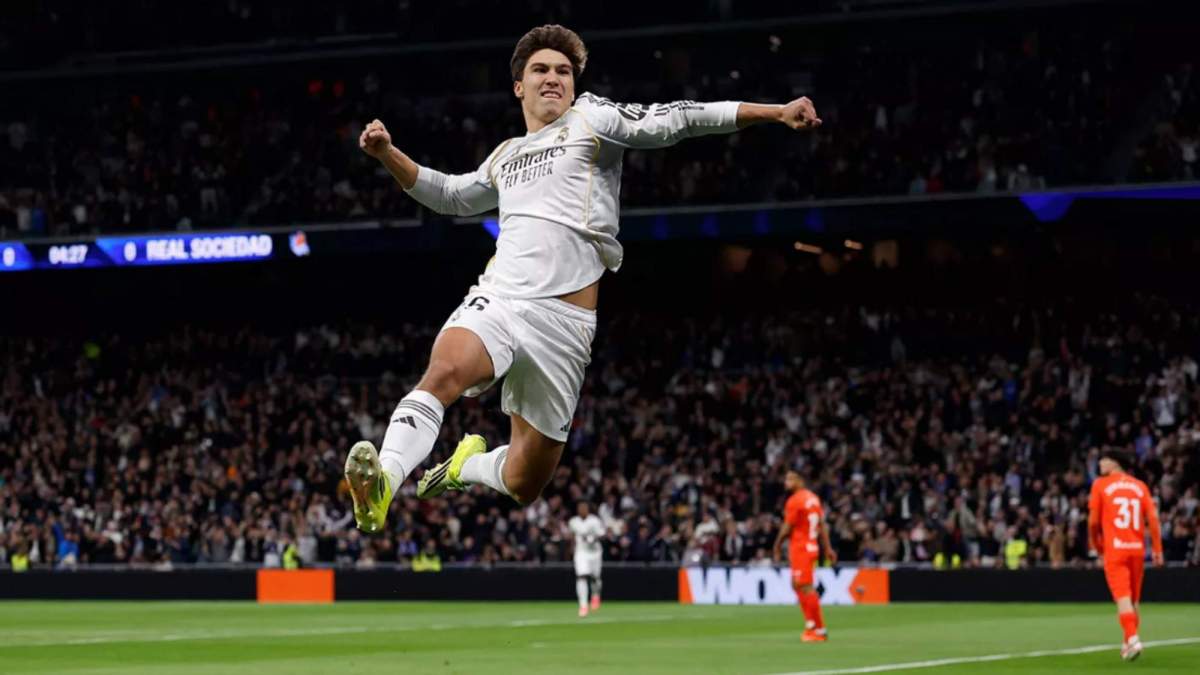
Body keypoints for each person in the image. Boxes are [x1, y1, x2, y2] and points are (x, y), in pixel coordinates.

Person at [344, 24, 822, 533]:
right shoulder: (505, 155)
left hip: (565, 325)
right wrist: (387, 154)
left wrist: (775, 112)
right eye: (541, 70)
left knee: (524, 481)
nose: (553, 78)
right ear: (519, 87)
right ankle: (384, 482)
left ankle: (466, 466)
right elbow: (450, 195)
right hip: (501, 298)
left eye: (564, 71)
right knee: (444, 371)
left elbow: (679, 119)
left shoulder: (593, 119)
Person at [1087, 450, 1164, 662]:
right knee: (1133, 599)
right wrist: (1157, 550)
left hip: (1115, 549)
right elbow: (1153, 519)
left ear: (1115, 462)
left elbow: (1093, 522)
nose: (1100, 463)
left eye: (1104, 459)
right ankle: (1126, 644)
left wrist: (1097, 546)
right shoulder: (1140, 486)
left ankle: (1132, 638)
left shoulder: (1100, 485)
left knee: (1122, 597)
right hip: (1137, 549)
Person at [773, 470, 835, 642]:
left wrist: (776, 545)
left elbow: (787, 527)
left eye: (790, 478)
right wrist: (828, 548)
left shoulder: (795, 500)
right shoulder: (813, 498)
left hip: (801, 547)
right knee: (796, 584)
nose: (786, 482)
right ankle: (810, 624)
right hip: (811, 546)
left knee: (806, 586)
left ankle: (819, 630)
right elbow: (822, 525)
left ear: (800, 480)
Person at [568, 501, 606, 617]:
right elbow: (571, 535)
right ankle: (583, 605)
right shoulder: (573, 522)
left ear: (588, 509)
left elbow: (602, 534)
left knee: (595, 578)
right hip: (581, 552)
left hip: (595, 552)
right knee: (581, 576)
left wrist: (593, 539)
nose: (582, 510)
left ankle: (595, 595)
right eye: (580, 508)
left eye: (584, 508)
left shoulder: (594, 521)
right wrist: (571, 548)